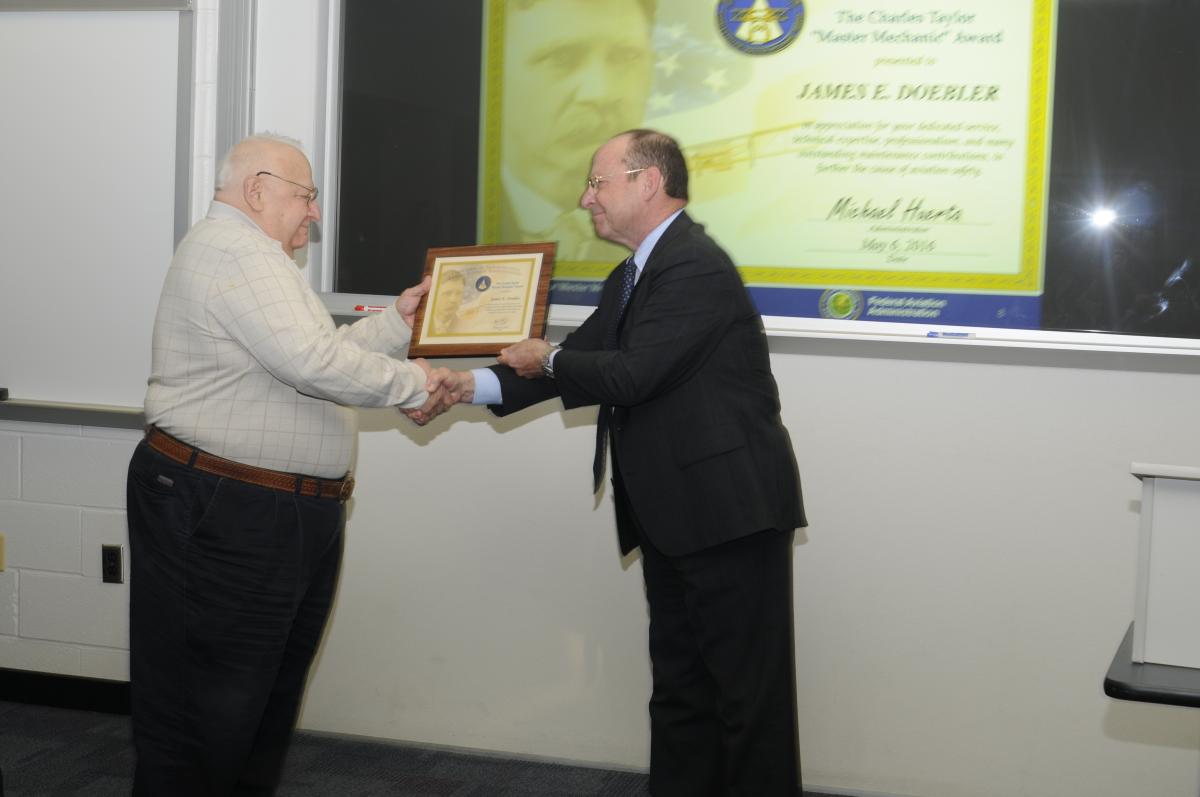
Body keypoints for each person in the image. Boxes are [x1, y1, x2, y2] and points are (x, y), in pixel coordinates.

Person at [419, 129, 806, 796]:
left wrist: (549, 356)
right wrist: (467, 386)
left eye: (598, 182)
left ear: (648, 182)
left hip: (729, 515)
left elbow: (629, 374)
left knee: (747, 702)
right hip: (676, 515)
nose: (583, 197)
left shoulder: (693, 266)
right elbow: (570, 366)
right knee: (681, 690)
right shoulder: (633, 275)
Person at [126, 133, 445, 796]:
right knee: (205, 712)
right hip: (227, 509)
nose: (315, 213)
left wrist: (398, 322)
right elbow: (313, 365)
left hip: (263, 513)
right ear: (257, 189)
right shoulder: (234, 253)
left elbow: (309, 353)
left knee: (256, 705)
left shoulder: (257, 258)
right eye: (306, 196)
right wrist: (416, 385)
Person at [496, 0, 654, 263]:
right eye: (562, 58)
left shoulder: (671, 224)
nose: (601, 92)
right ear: (499, 74)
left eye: (626, 56)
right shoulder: (448, 214)